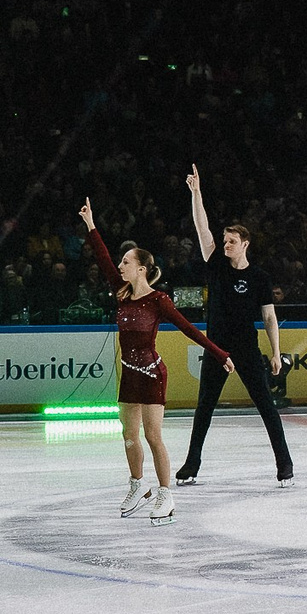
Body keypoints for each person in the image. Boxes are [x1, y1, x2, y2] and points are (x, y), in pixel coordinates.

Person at [79, 199, 228, 525]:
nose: (120, 266)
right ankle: (137, 485)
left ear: (141, 269)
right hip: (129, 376)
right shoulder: (121, 292)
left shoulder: (158, 300)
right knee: (128, 434)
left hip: (151, 374)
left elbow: (189, 329)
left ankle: (165, 494)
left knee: (152, 436)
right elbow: (103, 260)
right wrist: (91, 225)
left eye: (126, 262)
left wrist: (220, 354)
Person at [174, 165, 296, 487]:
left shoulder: (259, 278)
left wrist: (275, 352)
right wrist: (197, 193)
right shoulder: (216, 265)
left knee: (267, 408)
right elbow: (203, 229)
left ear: (245, 244)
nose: (225, 244)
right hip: (216, 349)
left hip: (246, 349)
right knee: (204, 410)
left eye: (231, 241)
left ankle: (285, 465)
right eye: (224, 240)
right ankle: (191, 465)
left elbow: (269, 317)